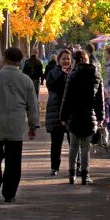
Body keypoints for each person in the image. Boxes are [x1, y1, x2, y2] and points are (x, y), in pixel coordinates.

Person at [0, 46, 40, 203]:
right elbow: (32, 105)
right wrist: (33, 125)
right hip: (15, 126)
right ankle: (9, 192)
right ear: (20, 61)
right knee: (13, 161)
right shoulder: (26, 80)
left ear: (5, 58)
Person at [59, 48, 105, 185]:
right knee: (85, 147)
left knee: (73, 146)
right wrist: (101, 116)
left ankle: (72, 174)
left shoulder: (72, 75)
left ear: (75, 61)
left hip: (74, 115)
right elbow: (99, 99)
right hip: (89, 115)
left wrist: (63, 116)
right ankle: (85, 175)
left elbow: (66, 99)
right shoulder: (96, 75)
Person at [45, 48, 72, 176]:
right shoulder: (53, 72)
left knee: (73, 142)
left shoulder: (74, 72)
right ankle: (54, 166)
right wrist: (62, 74)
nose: (66, 61)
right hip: (56, 110)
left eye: (68, 58)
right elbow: (52, 87)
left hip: (71, 112)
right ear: (59, 60)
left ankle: (75, 166)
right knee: (56, 142)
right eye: (63, 59)